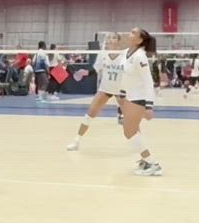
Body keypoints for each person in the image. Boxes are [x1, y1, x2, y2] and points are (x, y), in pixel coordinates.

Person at [67, 33, 127, 151]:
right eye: (109, 37)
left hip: (121, 90)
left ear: (119, 41)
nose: (110, 39)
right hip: (105, 88)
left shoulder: (125, 55)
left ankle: (140, 147)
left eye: (113, 37)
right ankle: (76, 141)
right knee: (90, 114)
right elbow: (94, 71)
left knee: (131, 119)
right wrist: (84, 72)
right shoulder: (102, 54)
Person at [120, 28, 163, 176]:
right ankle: (145, 161)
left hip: (139, 98)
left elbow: (148, 81)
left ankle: (153, 163)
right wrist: (121, 93)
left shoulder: (140, 56)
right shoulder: (126, 53)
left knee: (129, 132)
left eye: (133, 33)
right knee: (133, 131)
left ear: (139, 40)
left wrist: (149, 105)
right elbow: (125, 76)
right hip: (128, 97)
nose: (129, 34)